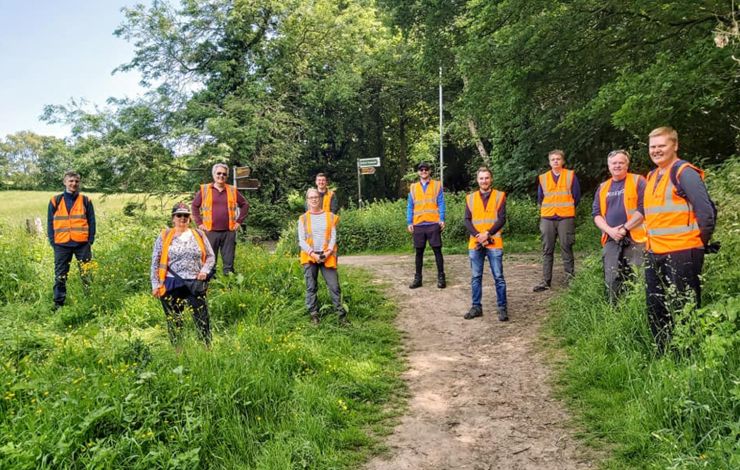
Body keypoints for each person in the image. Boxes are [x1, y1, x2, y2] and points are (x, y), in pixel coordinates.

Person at [643, 127, 716, 353]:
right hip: (654, 251)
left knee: (685, 306)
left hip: (683, 250)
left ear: (675, 145)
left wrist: (698, 243)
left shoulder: (684, 172)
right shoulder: (652, 175)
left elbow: (706, 214)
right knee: (655, 305)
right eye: (653, 147)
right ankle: (664, 352)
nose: (656, 151)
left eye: (661, 146)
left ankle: (689, 356)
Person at [151, 202, 215, 348]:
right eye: (179, 215)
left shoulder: (198, 234)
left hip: (195, 283)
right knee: (174, 319)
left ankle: (206, 348)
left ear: (190, 218)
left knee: (202, 318)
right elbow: (155, 261)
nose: (182, 218)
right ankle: (177, 350)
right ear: (173, 218)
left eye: (186, 215)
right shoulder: (165, 236)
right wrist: (155, 284)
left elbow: (211, 256)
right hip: (172, 283)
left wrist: (204, 271)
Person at [592, 150, 647, 304]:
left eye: (621, 162)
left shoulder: (638, 181)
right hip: (611, 238)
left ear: (627, 164)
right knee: (611, 277)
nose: (617, 165)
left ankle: (638, 308)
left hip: (636, 236)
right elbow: (596, 214)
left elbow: (644, 208)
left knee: (638, 275)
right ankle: (614, 310)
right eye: (614, 163)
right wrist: (610, 230)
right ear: (608, 166)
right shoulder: (603, 187)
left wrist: (625, 228)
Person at [464, 167, 509, 321]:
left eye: (487, 178)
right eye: (481, 178)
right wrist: (478, 235)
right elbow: (467, 220)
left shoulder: (500, 196)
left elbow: (502, 219)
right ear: (477, 180)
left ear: (491, 179)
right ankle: (476, 307)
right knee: (476, 277)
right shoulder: (470, 198)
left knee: (499, 277)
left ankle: (502, 308)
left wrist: (487, 234)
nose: (484, 181)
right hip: (475, 242)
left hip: (494, 241)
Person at [533, 150, 581, 292]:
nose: (555, 161)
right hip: (547, 217)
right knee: (547, 249)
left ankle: (570, 279)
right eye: (553, 159)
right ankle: (545, 281)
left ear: (563, 161)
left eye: (558, 159)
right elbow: (540, 198)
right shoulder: (543, 178)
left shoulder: (570, 175)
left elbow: (576, 197)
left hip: (565, 217)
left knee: (567, 247)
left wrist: (566, 209)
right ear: (549, 162)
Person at [47, 171, 96, 310]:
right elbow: (50, 223)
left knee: (87, 274)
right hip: (61, 245)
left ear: (78, 183)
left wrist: (90, 241)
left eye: (76, 181)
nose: (73, 184)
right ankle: (58, 304)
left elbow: (92, 221)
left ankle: (90, 300)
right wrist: (53, 242)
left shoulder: (86, 200)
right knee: (60, 276)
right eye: (71, 181)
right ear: (65, 182)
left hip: (82, 245)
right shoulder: (55, 201)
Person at [298, 188, 347, 325]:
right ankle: (314, 315)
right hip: (309, 256)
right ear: (307, 200)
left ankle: (341, 315)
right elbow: (301, 240)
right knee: (311, 287)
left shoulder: (329, 216)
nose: (314, 199)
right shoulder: (303, 219)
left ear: (320, 199)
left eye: (316, 197)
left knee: (334, 286)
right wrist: (313, 254)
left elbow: (333, 236)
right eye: (311, 197)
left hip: (327, 255)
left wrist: (328, 252)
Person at [191, 163, 249, 276]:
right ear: (213, 174)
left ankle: (229, 282)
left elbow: (245, 205)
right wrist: (199, 223)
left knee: (229, 261)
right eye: (218, 173)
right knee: (210, 260)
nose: (221, 176)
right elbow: (194, 206)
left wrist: (239, 222)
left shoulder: (232, 190)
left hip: (229, 231)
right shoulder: (205, 189)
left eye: (224, 174)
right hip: (210, 231)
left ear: (227, 176)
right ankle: (210, 283)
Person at [406, 162, 446, 289]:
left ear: (429, 171)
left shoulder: (436, 185)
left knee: (437, 251)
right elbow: (410, 206)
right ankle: (418, 279)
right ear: (418, 172)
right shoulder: (413, 187)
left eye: (426, 169)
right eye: (421, 169)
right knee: (419, 252)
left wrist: (442, 219)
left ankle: (441, 277)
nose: (423, 171)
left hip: (433, 223)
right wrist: (409, 222)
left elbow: (441, 203)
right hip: (418, 224)